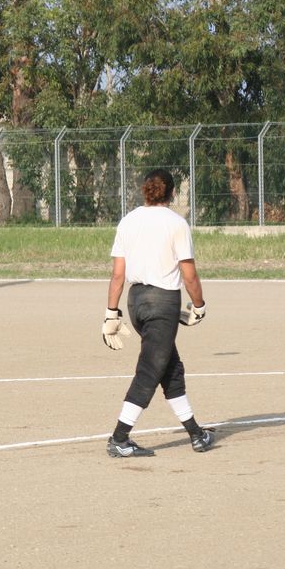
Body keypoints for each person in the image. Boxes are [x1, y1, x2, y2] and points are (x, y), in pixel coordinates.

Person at [101, 169, 214, 458]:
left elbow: (118, 275)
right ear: (172, 192)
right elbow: (189, 275)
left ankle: (196, 434)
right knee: (150, 370)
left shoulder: (128, 221)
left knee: (170, 367)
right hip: (163, 303)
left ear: (145, 190)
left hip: (136, 302)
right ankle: (119, 438)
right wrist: (199, 306)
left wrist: (111, 313)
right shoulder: (176, 223)